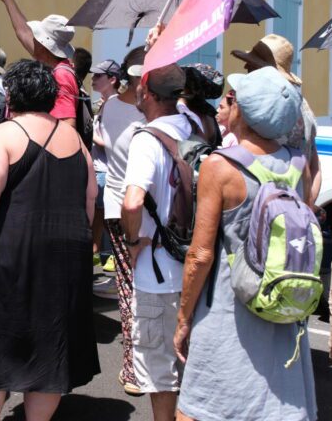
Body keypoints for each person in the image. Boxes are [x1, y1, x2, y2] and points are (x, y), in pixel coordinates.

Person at [0, 59, 100, 421]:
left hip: (9, 255)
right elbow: (91, 198)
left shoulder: (5, 133)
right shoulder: (77, 142)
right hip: (66, 256)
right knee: (49, 350)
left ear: (12, 97)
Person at [173, 67, 317, 421]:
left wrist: (183, 317)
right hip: (279, 296)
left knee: (201, 409)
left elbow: (201, 253)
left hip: (229, 303)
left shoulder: (220, 167)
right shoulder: (298, 163)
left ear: (243, 111)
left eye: (233, 99)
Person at [121, 63, 193, 420]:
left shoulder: (147, 139)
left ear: (147, 93)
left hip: (159, 273)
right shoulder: (201, 127)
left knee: (160, 373)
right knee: (194, 370)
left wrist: (133, 240)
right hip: (198, 269)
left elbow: (133, 201)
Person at [98, 50, 148, 395]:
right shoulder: (149, 117)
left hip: (119, 206)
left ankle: (134, 367)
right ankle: (136, 368)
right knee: (139, 289)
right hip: (137, 209)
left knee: (130, 287)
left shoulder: (111, 106)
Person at [231, 34, 321, 206]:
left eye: (251, 67)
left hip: (267, 211)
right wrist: (307, 205)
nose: (245, 67)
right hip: (293, 211)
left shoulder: (268, 111)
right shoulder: (303, 104)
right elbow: (315, 166)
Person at [0, 0, 79, 129]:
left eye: (37, 35)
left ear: (44, 44)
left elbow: (68, 124)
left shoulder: (61, 75)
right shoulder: (49, 62)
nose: (33, 37)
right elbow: (23, 32)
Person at [90, 59, 122, 273]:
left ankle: (109, 256)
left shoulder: (115, 105)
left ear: (112, 79)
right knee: (99, 217)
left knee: (107, 217)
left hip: (106, 169)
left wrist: (89, 134)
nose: (93, 79)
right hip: (100, 168)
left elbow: (112, 141)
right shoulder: (105, 104)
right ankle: (100, 254)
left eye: (98, 76)